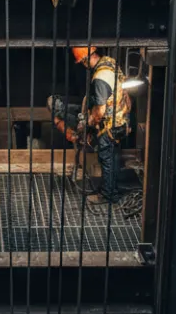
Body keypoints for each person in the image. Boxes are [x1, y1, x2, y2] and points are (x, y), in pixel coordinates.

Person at [48, 47, 132, 203]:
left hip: (110, 124)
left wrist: (85, 125)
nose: (83, 65)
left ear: (86, 59)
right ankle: (111, 189)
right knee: (112, 158)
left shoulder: (100, 77)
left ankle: (108, 195)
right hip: (122, 119)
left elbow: (100, 111)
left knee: (107, 158)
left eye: (82, 62)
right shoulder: (109, 63)